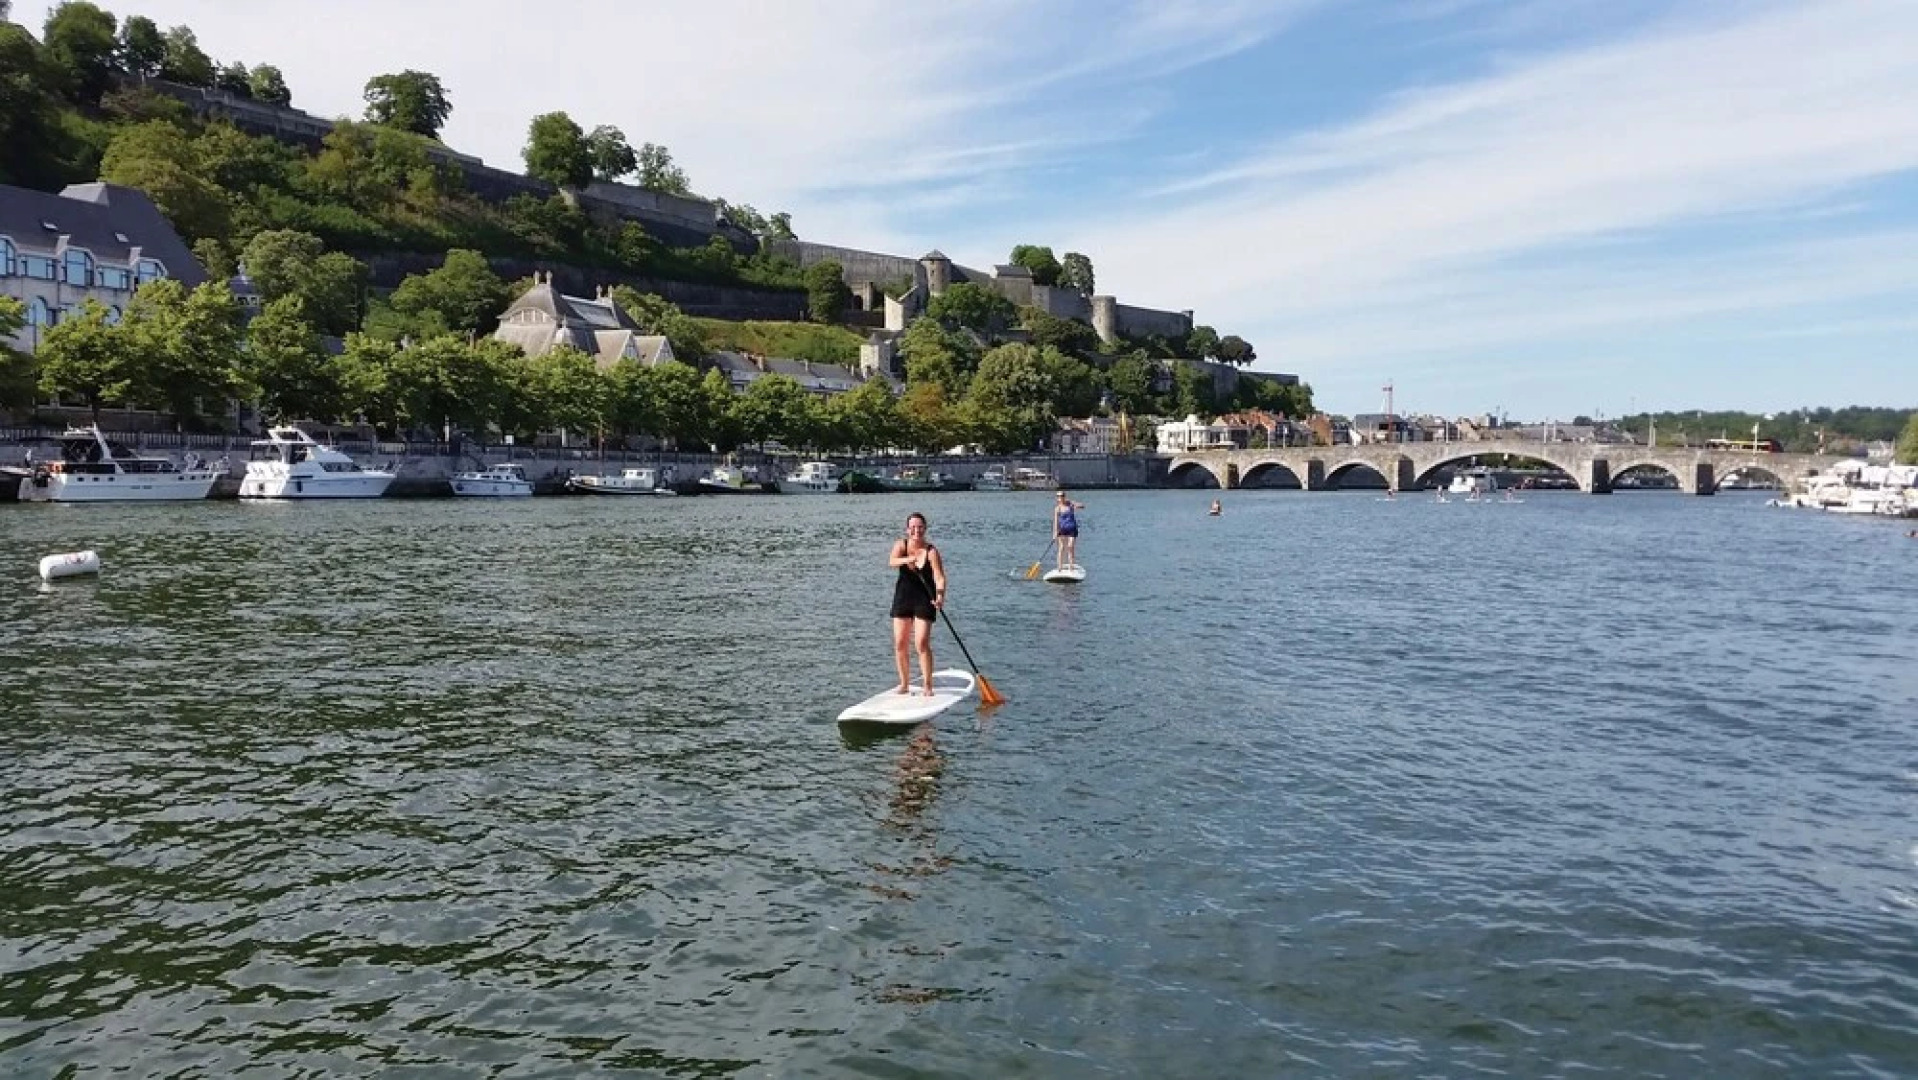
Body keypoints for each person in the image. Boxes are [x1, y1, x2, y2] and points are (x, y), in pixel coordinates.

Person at [888, 512, 947, 696]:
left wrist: (940, 595)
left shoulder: (931, 551)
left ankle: (927, 686)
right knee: (900, 643)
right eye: (912, 527)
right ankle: (904, 684)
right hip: (903, 597)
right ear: (907, 530)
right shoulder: (901, 545)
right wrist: (910, 559)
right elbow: (892, 561)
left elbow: (939, 577)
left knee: (921, 643)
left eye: (920, 527)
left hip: (925, 598)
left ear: (925, 528)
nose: (916, 530)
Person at [1053, 491, 1085, 568]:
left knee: (1070, 547)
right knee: (1061, 547)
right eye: (1059, 496)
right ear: (1057, 498)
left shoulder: (1070, 504)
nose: (1061, 497)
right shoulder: (1057, 509)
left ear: (1065, 496)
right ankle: (1059, 567)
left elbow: (1082, 506)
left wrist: (1074, 503)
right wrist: (1054, 533)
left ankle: (1071, 567)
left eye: (1062, 496)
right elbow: (1056, 521)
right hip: (1062, 530)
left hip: (1072, 528)